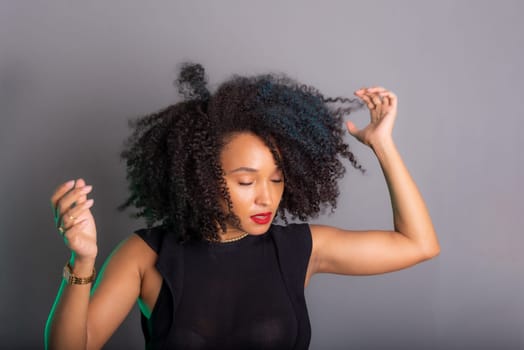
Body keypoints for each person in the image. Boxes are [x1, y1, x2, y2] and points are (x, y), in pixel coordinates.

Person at [45, 63, 440, 349]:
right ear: (201, 177)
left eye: (277, 178)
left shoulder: (301, 249)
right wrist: (81, 264)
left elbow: (418, 244)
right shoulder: (147, 254)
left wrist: (383, 145)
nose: (266, 197)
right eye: (247, 181)